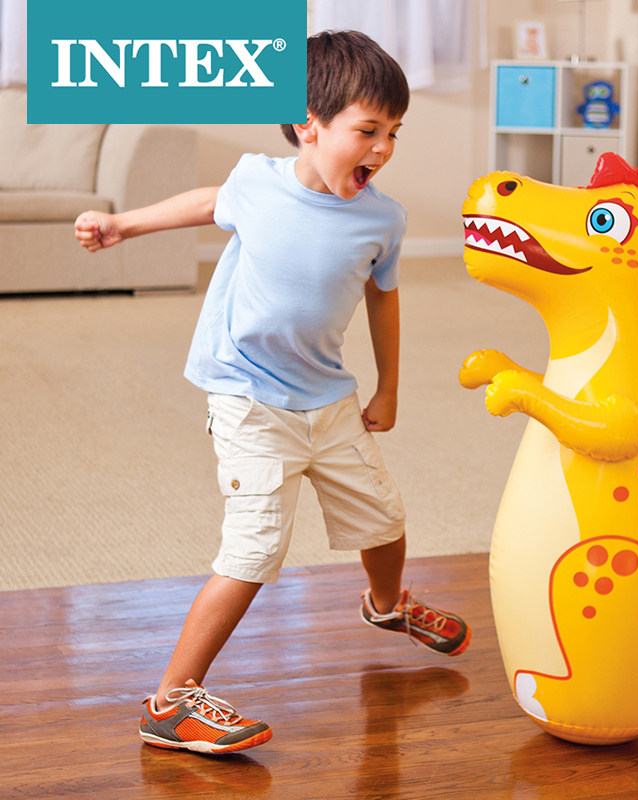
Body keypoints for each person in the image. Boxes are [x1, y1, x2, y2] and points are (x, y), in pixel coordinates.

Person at [74, 30, 471, 756]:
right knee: (255, 550)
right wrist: (123, 225)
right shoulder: (257, 183)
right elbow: (207, 203)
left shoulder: (383, 219)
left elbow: (384, 299)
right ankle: (170, 702)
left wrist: (389, 387)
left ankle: (387, 606)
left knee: (384, 518)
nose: (383, 148)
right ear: (307, 124)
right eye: (368, 130)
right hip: (249, 399)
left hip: (330, 400)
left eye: (394, 133)